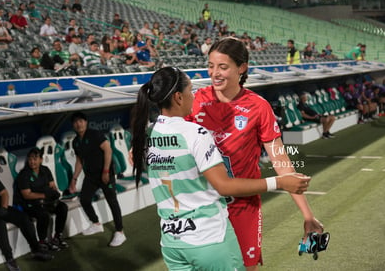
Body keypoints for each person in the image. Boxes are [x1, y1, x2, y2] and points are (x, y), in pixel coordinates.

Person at [131, 67, 311, 270]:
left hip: (172, 245)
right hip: (208, 239)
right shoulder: (195, 132)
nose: (194, 97)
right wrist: (279, 182)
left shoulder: (148, 134)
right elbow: (224, 186)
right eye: (190, 91)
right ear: (179, 98)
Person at [186, 37, 323, 270]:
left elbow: (280, 159)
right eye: (211, 65)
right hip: (202, 207)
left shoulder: (258, 107)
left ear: (242, 68)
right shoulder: (196, 101)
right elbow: (170, 131)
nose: (215, 73)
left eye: (223, 66)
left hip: (242, 207)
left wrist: (307, 215)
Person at [69, 112, 126, 247]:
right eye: (76, 122)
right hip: (91, 176)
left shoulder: (95, 134)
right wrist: (74, 178)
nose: (79, 124)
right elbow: (79, 161)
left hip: (105, 174)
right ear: (73, 125)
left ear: (86, 122)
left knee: (112, 201)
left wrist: (106, 171)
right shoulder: (75, 142)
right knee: (84, 199)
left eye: (81, 121)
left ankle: (120, 232)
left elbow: (108, 150)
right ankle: (96, 223)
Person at [14, 147, 69, 251]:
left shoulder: (45, 170)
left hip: (46, 201)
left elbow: (52, 185)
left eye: (35, 159)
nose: (32, 162)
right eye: (30, 159)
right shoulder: (24, 174)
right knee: (43, 214)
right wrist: (44, 195)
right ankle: (42, 241)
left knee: (62, 207)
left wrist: (54, 193)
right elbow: (27, 195)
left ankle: (57, 237)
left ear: (41, 160)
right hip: (30, 204)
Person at [0, 174, 52, 270]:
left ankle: (36, 249)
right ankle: (9, 259)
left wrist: (4, 208)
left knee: (24, 218)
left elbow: (4, 193)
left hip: (0, 208)